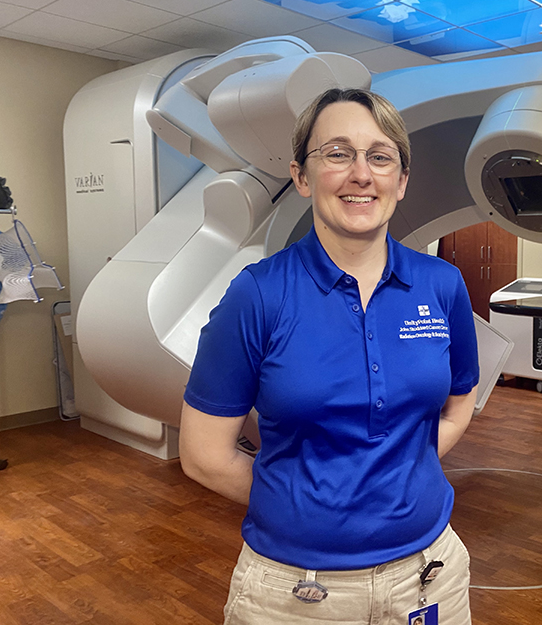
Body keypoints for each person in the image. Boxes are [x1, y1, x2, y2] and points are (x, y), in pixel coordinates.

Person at [179, 87, 480, 625]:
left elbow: (460, 400)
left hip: (429, 575)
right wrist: (304, 506)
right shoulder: (258, 295)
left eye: (380, 156)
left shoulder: (442, 285)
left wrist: (402, 475)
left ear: (401, 180)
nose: (361, 174)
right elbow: (204, 455)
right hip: (295, 591)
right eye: (338, 154)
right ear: (301, 176)